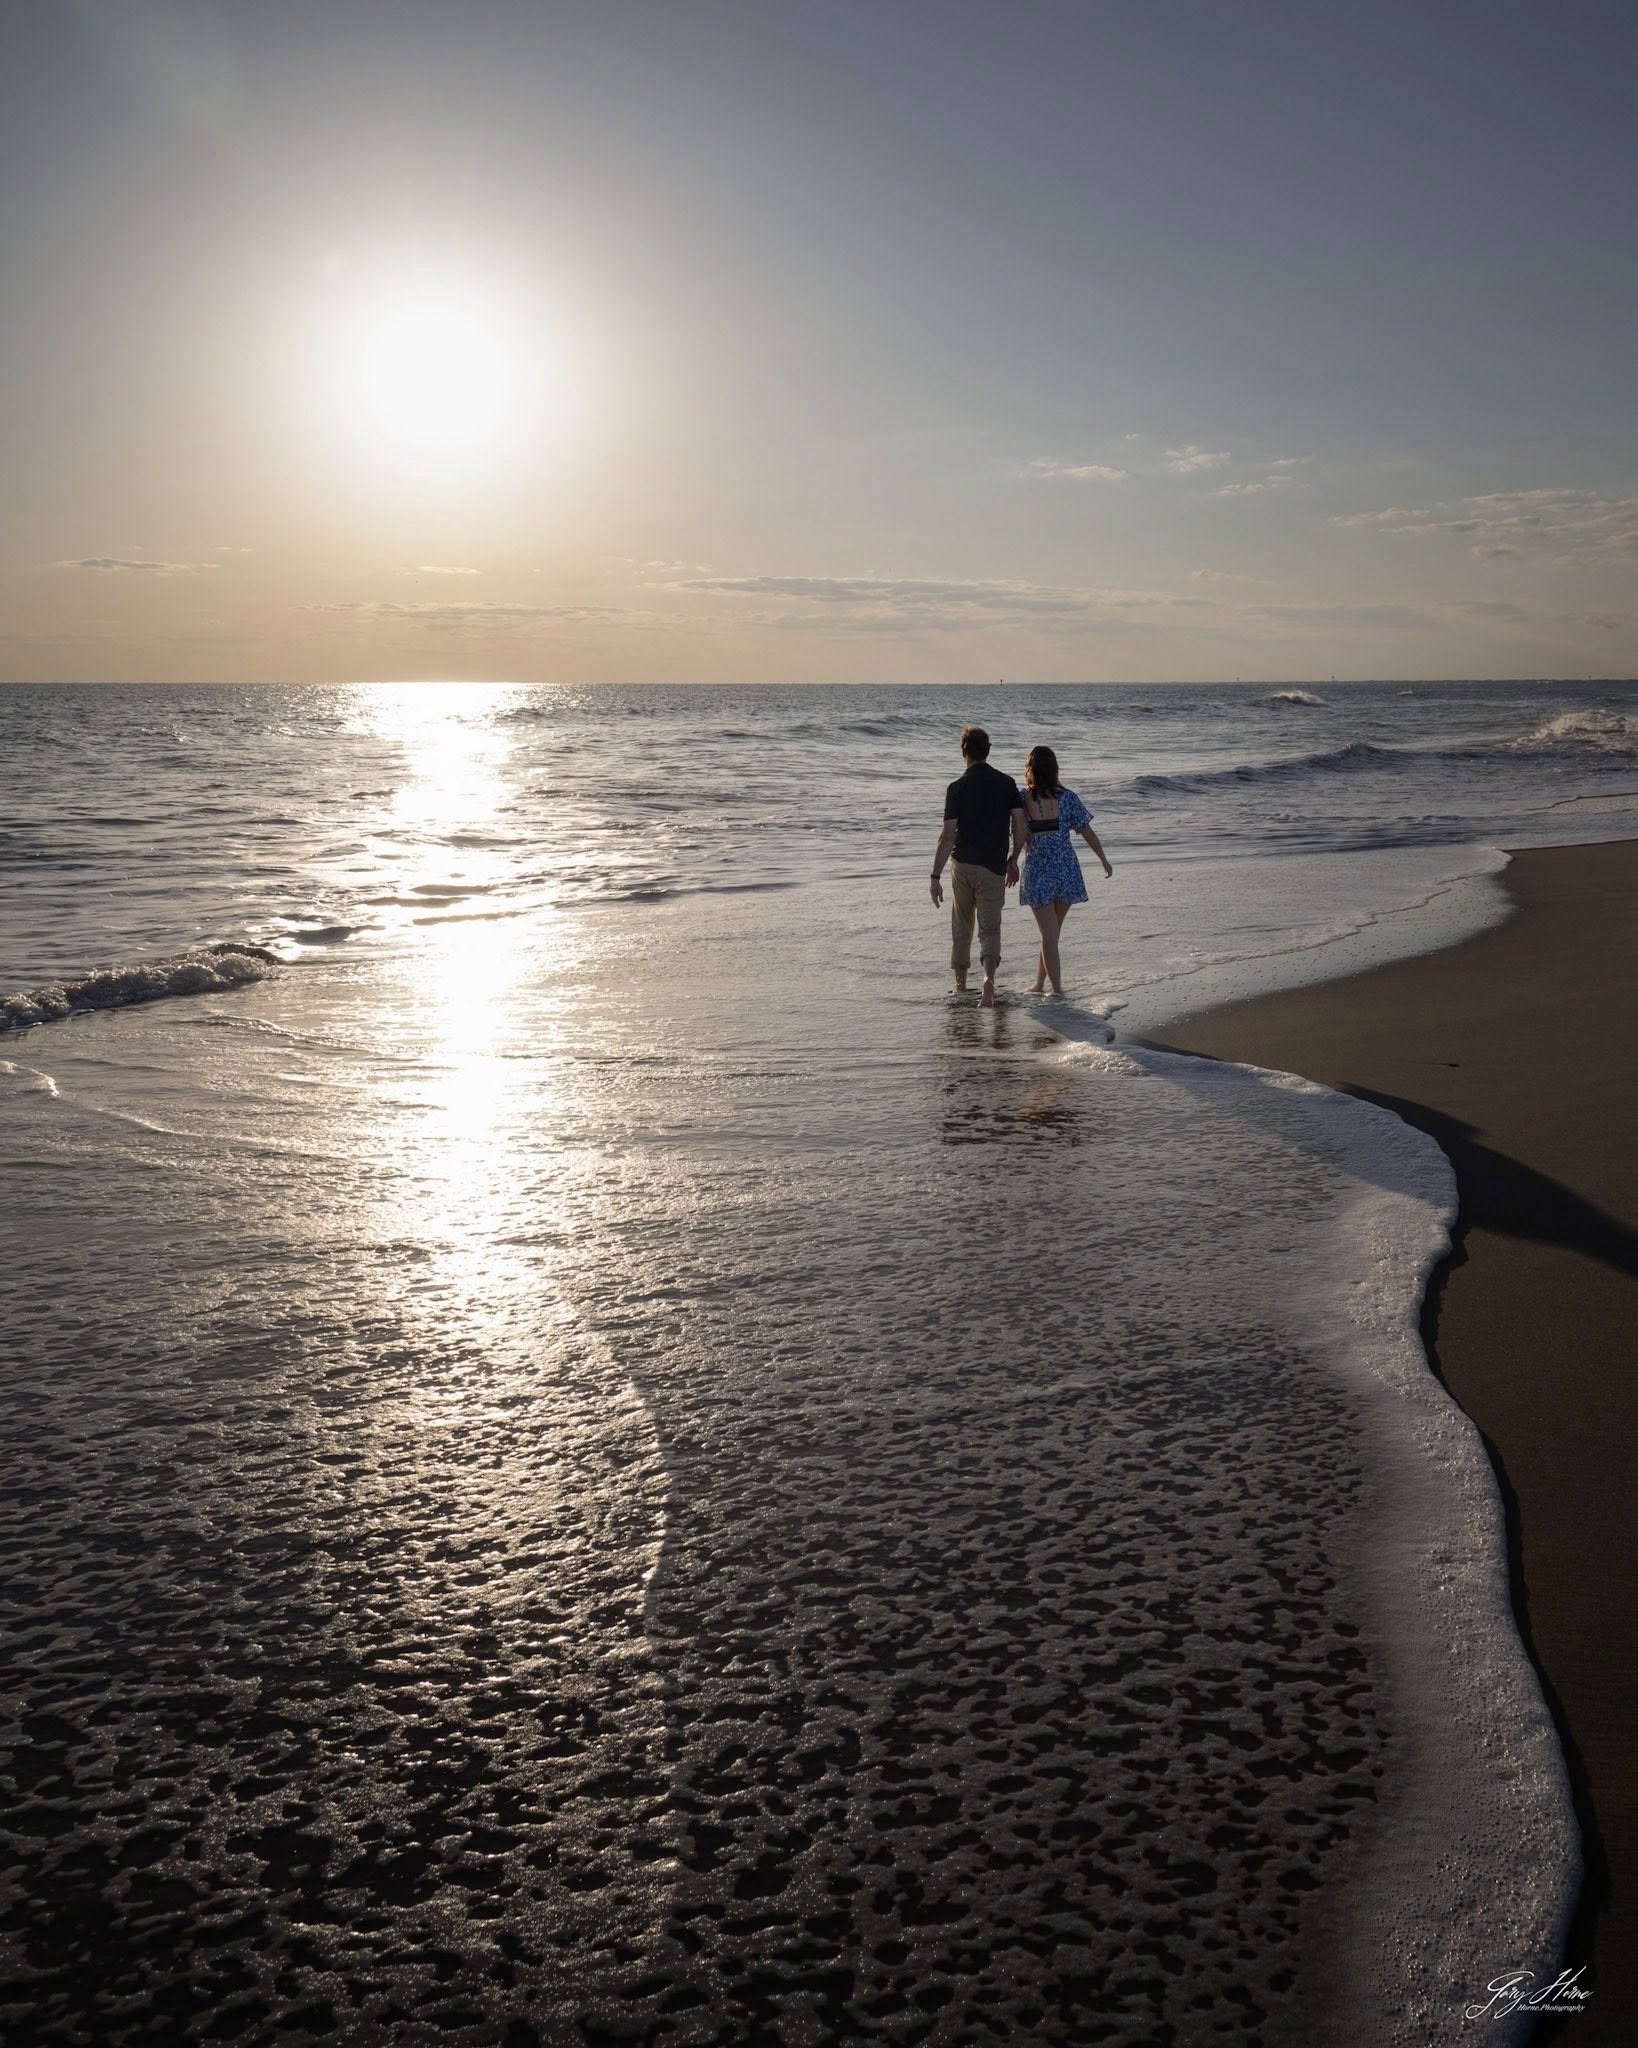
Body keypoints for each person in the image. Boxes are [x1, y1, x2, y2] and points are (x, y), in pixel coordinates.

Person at [930, 725, 1029, 1007]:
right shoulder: (1007, 784)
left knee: (962, 925)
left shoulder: (956, 788)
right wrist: (1013, 859)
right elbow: (1020, 826)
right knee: (990, 929)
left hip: (961, 865)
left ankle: (960, 987)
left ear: (964, 752)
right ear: (988, 751)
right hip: (993, 867)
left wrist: (935, 876)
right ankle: (988, 980)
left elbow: (948, 835)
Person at [1017, 744, 1113, 996]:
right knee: (1051, 934)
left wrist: (1009, 860)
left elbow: (1016, 833)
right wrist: (1103, 858)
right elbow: (1087, 832)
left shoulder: (1022, 799)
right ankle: (1039, 985)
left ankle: (1056, 989)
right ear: (1054, 769)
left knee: (1049, 935)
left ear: (1031, 770)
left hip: (1038, 873)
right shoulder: (1068, 798)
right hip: (1066, 871)